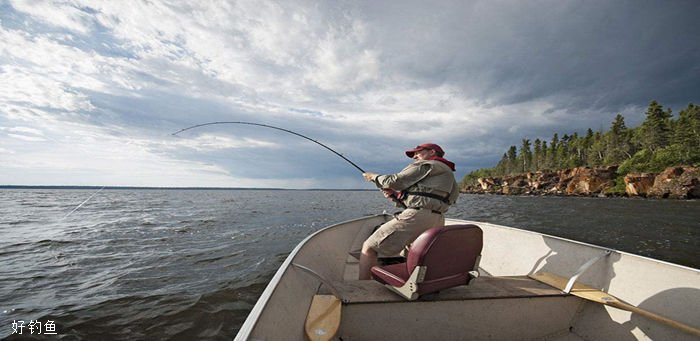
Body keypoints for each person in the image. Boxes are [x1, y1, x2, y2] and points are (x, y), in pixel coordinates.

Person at [359, 143, 459, 280]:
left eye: (418, 152)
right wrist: (396, 196)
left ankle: (363, 288)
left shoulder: (427, 165)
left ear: (432, 152)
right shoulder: (448, 174)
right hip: (437, 219)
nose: (415, 157)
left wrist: (374, 177)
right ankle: (411, 282)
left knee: (369, 248)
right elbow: (431, 199)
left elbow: (394, 181)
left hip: (418, 218)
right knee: (414, 253)